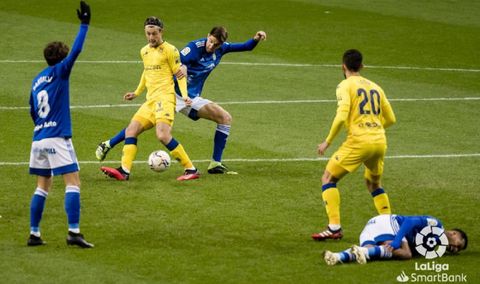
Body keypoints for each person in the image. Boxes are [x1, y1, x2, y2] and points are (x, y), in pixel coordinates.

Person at [96, 27, 267, 174]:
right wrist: (182, 67)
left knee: (225, 118)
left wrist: (256, 38)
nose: (211, 46)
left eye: (216, 44)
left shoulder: (221, 49)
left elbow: (246, 46)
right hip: (173, 95)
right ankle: (109, 145)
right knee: (142, 126)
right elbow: (176, 63)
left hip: (190, 98)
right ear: (208, 35)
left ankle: (215, 163)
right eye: (211, 41)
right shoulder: (193, 48)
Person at [100, 16, 199, 181]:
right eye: (148, 34)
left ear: (161, 31)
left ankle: (191, 169)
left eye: (154, 33)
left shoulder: (170, 50)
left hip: (165, 99)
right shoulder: (144, 51)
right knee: (131, 130)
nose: (151, 37)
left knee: (162, 135)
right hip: (150, 100)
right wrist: (137, 92)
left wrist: (185, 95)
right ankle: (124, 171)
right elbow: (146, 72)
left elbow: (179, 74)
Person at [27, 1, 93, 248]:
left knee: (43, 186)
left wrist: (42, 126)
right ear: (61, 59)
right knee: (73, 182)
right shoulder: (60, 72)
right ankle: (73, 232)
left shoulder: (36, 81)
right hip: (57, 137)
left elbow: (32, 110)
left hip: (38, 139)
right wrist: (84, 25)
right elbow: (76, 51)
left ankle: (34, 234)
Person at [312, 49, 397, 241]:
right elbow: (391, 118)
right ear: (361, 66)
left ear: (343, 67)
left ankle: (334, 227)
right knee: (373, 183)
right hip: (380, 141)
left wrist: (327, 141)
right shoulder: (376, 87)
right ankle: (389, 225)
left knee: (328, 178)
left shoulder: (345, 86)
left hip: (359, 142)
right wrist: (373, 127)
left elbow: (342, 116)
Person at [323, 214, 468, 265]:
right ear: (454, 233)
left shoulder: (431, 247)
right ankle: (361, 251)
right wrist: (397, 240)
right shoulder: (437, 225)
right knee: (406, 254)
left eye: (458, 250)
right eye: (458, 245)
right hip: (388, 222)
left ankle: (337, 256)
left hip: (373, 229)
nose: (455, 249)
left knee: (367, 251)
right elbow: (410, 222)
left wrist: (395, 242)